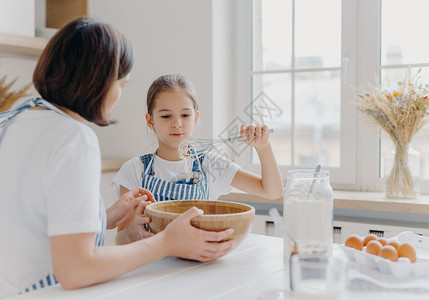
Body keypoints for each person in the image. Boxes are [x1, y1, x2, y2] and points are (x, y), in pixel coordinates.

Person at [0, 17, 234, 298]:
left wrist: (105, 217)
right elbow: (76, 270)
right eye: (121, 84)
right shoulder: (74, 138)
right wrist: (167, 243)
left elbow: (31, 217)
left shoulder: (14, 119)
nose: (118, 95)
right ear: (97, 82)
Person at [112, 74, 284, 244]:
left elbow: (272, 192)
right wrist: (134, 232)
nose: (177, 123)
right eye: (166, 116)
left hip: (200, 264)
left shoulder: (210, 164)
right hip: (151, 266)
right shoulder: (134, 170)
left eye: (185, 115)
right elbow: (121, 240)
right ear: (150, 121)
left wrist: (264, 148)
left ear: (196, 118)